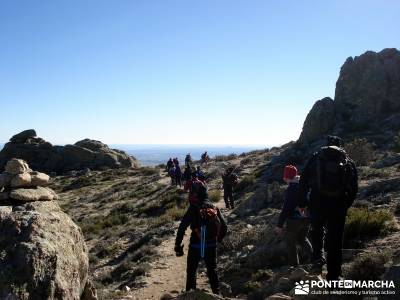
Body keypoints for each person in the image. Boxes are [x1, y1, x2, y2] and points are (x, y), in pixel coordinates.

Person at [298, 135, 358, 280]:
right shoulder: (347, 161)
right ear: (341, 146)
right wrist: (345, 205)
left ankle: (317, 258)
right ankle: (334, 276)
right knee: (335, 241)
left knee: (317, 230)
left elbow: (303, 180)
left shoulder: (316, 158)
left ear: (326, 145)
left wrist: (303, 204)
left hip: (317, 203)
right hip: (338, 207)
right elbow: (354, 187)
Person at [174, 183, 227, 294]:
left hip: (195, 245)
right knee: (212, 271)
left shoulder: (194, 208)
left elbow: (182, 227)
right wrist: (219, 239)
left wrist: (178, 246)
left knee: (192, 272)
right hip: (211, 245)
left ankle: (190, 294)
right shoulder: (214, 207)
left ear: (197, 195)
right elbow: (224, 226)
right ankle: (217, 294)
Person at [275, 165, 312, 266]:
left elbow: (286, 209)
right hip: (307, 217)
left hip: (294, 220)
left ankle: (294, 266)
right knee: (302, 239)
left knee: (290, 243)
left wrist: (279, 225)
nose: (284, 179)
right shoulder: (304, 184)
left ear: (287, 177)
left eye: (285, 176)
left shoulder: (292, 189)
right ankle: (315, 260)